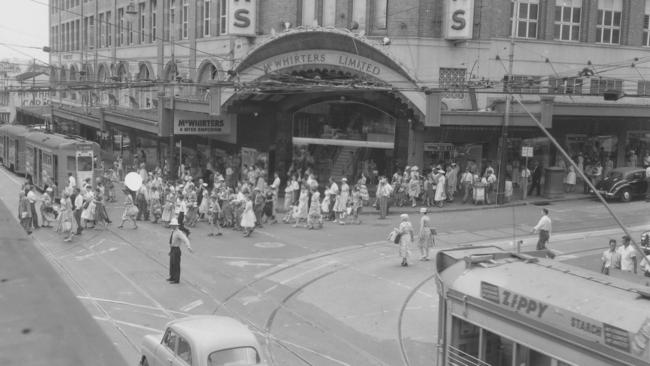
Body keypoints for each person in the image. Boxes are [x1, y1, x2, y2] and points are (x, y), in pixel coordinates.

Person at [167, 217, 193, 284]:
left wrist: (188, 246)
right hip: (173, 249)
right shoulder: (173, 231)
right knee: (172, 264)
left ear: (175, 225)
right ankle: (172, 277)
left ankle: (176, 279)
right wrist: (170, 250)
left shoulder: (179, 233)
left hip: (176, 250)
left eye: (172, 225)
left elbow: (185, 239)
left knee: (176, 265)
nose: (171, 226)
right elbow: (171, 241)